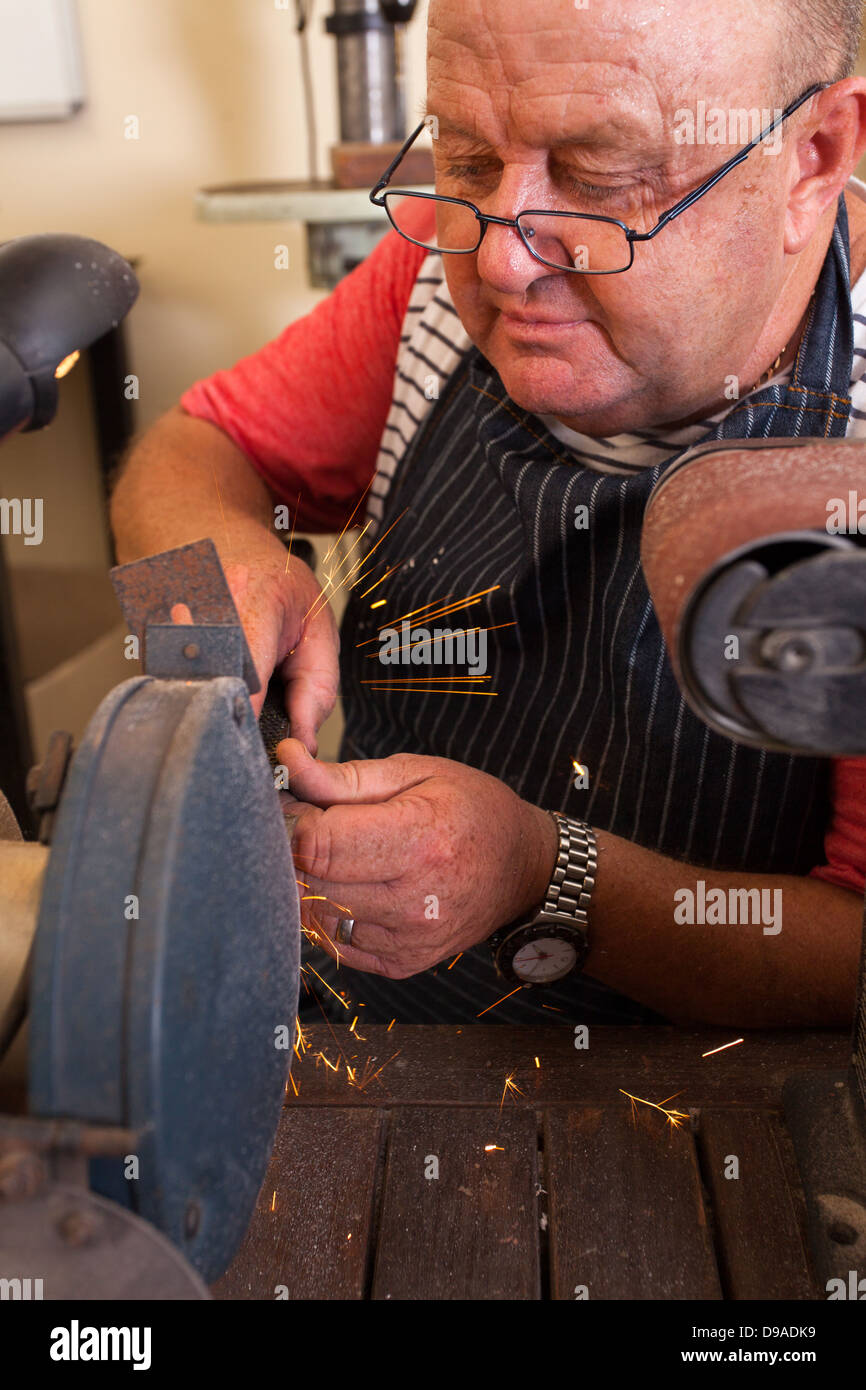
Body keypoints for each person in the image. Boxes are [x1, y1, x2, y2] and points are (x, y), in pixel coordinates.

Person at [111, 0, 866, 1029]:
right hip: (345, 1023)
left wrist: (543, 876)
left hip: (694, 1111)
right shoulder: (429, 276)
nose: (502, 260)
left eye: (597, 177)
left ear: (813, 155)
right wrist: (199, 586)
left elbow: (850, 960)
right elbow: (183, 452)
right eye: (465, 159)